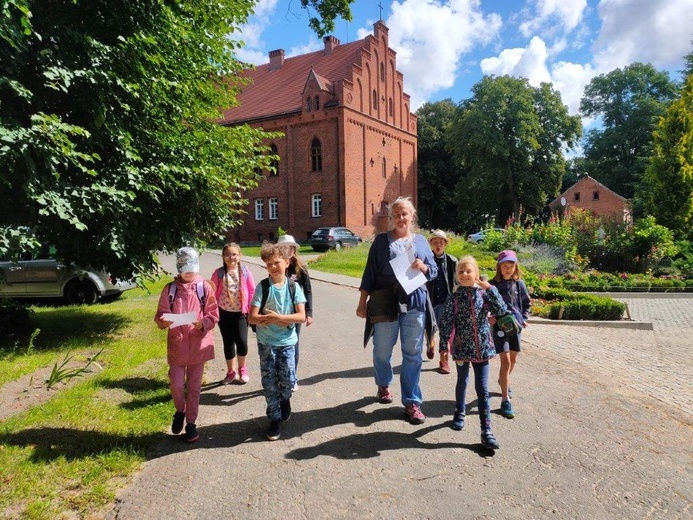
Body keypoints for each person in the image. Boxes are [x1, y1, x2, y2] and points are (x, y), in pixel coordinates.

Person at [356, 196, 438, 425]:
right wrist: (362, 303)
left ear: (412, 216)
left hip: (414, 303)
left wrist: (425, 267)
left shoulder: (421, 241)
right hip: (385, 303)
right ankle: (383, 383)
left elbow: (434, 271)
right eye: (397, 214)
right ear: (391, 218)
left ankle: (412, 402)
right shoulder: (381, 242)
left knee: (413, 354)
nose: (401, 218)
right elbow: (369, 273)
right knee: (382, 350)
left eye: (405, 214)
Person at [438, 255, 509, 450]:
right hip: (462, 349)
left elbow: (501, 309)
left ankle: (486, 431)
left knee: (482, 390)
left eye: (469, 271)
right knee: (462, 382)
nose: (465, 274)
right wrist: (443, 347)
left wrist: (490, 288)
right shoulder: (454, 297)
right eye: (461, 272)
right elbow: (446, 323)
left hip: (483, 349)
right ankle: (459, 412)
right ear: (457, 276)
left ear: (477, 274)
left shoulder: (484, 295)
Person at [154, 247, 219, 443]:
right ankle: (179, 411)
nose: (189, 274)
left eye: (192, 270)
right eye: (185, 270)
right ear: (179, 269)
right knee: (175, 383)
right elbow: (160, 315)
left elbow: (213, 314)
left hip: (198, 345)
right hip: (177, 345)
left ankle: (191, 422)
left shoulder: (203, 288)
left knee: (194, 387)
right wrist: (163, 321)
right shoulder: (170, 290)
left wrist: (203, 324)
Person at [248, 243, 306, 441]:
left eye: (277, 263)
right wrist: (265, 320)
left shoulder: (294, 287)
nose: (273, 267)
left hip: (288, 341)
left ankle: (285, 400)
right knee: (270, 382)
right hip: (266, 342)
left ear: (287, 263)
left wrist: (278, 318)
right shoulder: (263, 287)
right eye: (269, 264)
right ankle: (274, 419)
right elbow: (252, 317)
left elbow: (301, 316)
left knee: (288, 380)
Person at [489, 250, 531, 419]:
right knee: (505, 361)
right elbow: (485, 304)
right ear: (499, 267)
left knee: (513, 359)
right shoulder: (492, 285)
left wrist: (525, 318)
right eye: (505, 266)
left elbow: (526, 303)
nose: (508, 269)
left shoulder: (519, 284)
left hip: (516, 327)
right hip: (499, 327)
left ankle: (503, 380)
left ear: (515, 266)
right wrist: (489, 316)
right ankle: (505, 399)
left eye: (511, 265)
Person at [209, 243, 256, 385]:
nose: (231, 257)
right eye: (228, 254)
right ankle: (231, 371)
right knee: (228, 343)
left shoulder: (245, 271)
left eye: (234, 254)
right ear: (223, 257)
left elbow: (252, 291)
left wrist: (250, 310)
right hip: (223, 313)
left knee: (242, 341)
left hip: (241, 313)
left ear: (239, 256)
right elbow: (211, 293)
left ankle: (242, 369)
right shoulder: (218, 273)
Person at [276, 234, 313, 391]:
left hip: (296, 313)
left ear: (293, 250)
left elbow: (308, 291)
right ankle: (280, 376)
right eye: (284, 248)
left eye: (290, 248)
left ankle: (292, 376)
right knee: (279, 344)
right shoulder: (276, 266)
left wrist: (309, 313)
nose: (288, 250)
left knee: (293, 344)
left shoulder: (300, 268)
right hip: (279, 312)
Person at [425, 229, 457, 374]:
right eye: (435, 242)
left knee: (445, 332)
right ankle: (430, 342)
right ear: (430, 244)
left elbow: (458, 282)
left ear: (445, 244)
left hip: (446, 301)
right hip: (429, 301)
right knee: (429, 328)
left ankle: (444, 362)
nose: (438, 244)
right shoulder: (426, 259)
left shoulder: (452, 261)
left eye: (441, 242)